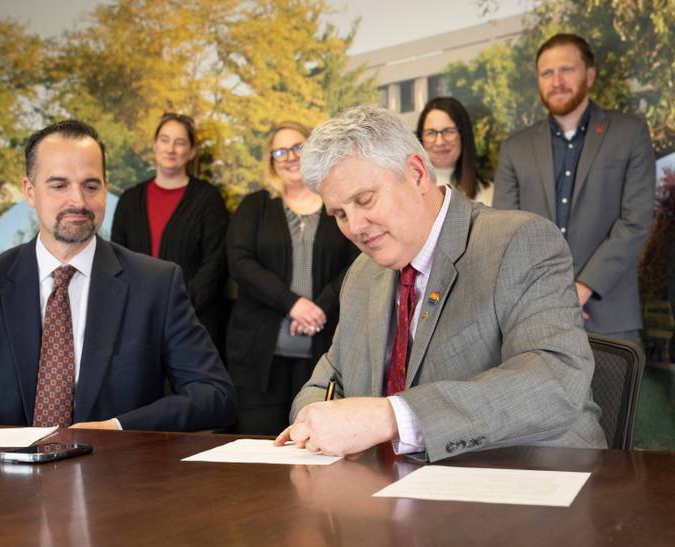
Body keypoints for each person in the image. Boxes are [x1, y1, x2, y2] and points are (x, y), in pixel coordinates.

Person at [274, 105, 605, 461]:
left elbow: (553, 381)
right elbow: (325, 383)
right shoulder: (362, 274)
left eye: (364, 200)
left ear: (416, 174)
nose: (354, 227)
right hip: (398, 495)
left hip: (529, 483)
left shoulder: (519, 242)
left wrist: (392, 417)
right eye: (339, 213)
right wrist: (315, 422)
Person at [0, 119, 236, 431]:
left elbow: (215, 396)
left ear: (105, 187)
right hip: (1, 489)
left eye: (90, 185)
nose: (78, 201)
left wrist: (116, 429)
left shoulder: (155, 284)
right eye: (58, 185)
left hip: (120, 486)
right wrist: (0, 443)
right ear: (29, 191)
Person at [493, 33, 655, 341]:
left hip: (609, 314)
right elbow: (505, 234)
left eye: (567, 69)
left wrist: (582, 288)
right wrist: (550, 293)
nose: (557, 81)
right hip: (533, 313)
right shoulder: (515, 148)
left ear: (589, 75)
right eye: (547, 73)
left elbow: (635, 221)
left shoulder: (629, 133)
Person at [226, 121, 359, 435]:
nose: (289, 157)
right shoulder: (255, 206)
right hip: (259, 361)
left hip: (324, 352)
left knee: (316, 450)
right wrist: (293, 304)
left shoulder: (336, 203)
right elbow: (241, 263)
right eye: (280, 151)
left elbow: (357, 262)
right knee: (258, 454)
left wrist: (319, 307)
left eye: (298, 147)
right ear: (271, 160)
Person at [111, 113, 228, 350]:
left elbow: (215, 263)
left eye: (180, 142)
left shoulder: (208, 199)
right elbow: (116, 258)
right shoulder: (130, 200)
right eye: (164, 139)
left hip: (191, 323)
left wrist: (178, 305)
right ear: (154, 145)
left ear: (192, 151)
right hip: (136, 321)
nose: (170, 148)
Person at [416, 96, 493, 205]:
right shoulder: (408, 190)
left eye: (448, 131)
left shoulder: (489, 194)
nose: (439, 142)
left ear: (464, 136)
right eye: (431, 133)